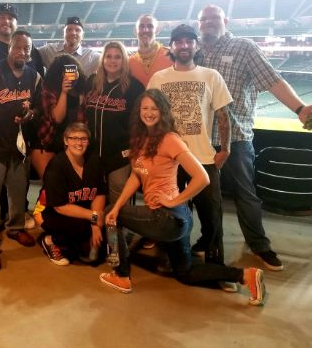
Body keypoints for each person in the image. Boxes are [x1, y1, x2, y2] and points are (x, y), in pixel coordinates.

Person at [100, 89, 266, 306]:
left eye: (154, 108)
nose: (149, 113)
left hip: (168, 217)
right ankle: (245, 276)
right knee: (184, 272)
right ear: (138, 111)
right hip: (172, 220)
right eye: (145, 108)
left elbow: (202, 177)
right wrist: (118, 205)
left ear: (163, 111)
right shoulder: (140, 139)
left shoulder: (170, 139)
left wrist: (172, 200)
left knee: (109, 215)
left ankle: (121, 275)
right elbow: (136, 176)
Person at [197, 5, 312, 271]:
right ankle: (208, 238)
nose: (208, 24)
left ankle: (259, 244)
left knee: (246, 194)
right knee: (206, 196)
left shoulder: (244, 48)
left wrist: (299, 108)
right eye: (203, 20)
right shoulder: (196, 51)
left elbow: (272, 80)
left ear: (225, 20)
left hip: (236, 138)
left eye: (213, 19)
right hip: (202, 139)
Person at [148, 24, 232, 265]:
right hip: (169, 160)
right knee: (170, 211)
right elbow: (149, 116)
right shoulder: (159, 78)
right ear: (171, 47)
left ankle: (216, 264)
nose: (184, 46)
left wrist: (225, 149)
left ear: (196, 45)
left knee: (212, 216)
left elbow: (224, 115)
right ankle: (173, 255)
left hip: (203, 158)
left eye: (188, 41)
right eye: (179, 41)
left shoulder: (211, 75)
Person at [0, 30, 41, 270]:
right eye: (19, 47)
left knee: (18, 191)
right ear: (10, 47)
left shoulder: (34, 76)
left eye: (27, 49)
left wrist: (31, 114)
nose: (23, 52)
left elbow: (37, 107)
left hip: (19, 147)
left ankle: (15, 228)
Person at [39, 122, 107, 266]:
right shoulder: (56, 166)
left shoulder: (94, 160)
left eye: (83, 139)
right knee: (80, 228)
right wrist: (94, 217)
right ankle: (50, 240)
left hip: (84, 212)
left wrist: (96, 224)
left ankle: (76, 242)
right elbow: (59, 206)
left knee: (95, 251)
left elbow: (99, 193)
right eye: (74, 138)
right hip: (55, 214)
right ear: (66, 140)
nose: (79, 143)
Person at [85, 41, 144, 205]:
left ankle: (117, 229)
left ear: (124, 60)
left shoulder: (135, 87)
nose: (112, 61)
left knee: (118, 193)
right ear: (102, 59)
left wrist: (136, 150)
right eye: (108, 56)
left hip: (120, 153)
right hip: (92, 152)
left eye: (117, 57)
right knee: (93, 193)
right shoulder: (92, 82)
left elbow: (140, 122)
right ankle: (96, 227)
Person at [30, 54, 87, 181]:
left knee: (71, 186)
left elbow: (82, 123)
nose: (70, 74)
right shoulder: (48, 90)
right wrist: (64, 92)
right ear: (58, 74)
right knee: (51, 185)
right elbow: (57, 118)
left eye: (74, 70)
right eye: (65, 71)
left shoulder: (82, 91)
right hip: (48, 144)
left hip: (70, 145)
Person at [0, 3, 44, 77]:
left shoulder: (31, 49)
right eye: (2, 17)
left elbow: (41, 80)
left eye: (10, 18)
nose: (6, 21)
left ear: (16, 24)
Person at [129, 14, 173, 87]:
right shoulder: (129, 62)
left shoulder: (171, 56)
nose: (145, 30)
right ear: (135, 31)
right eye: (141, 26)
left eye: (150, 26)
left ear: (157, 30)